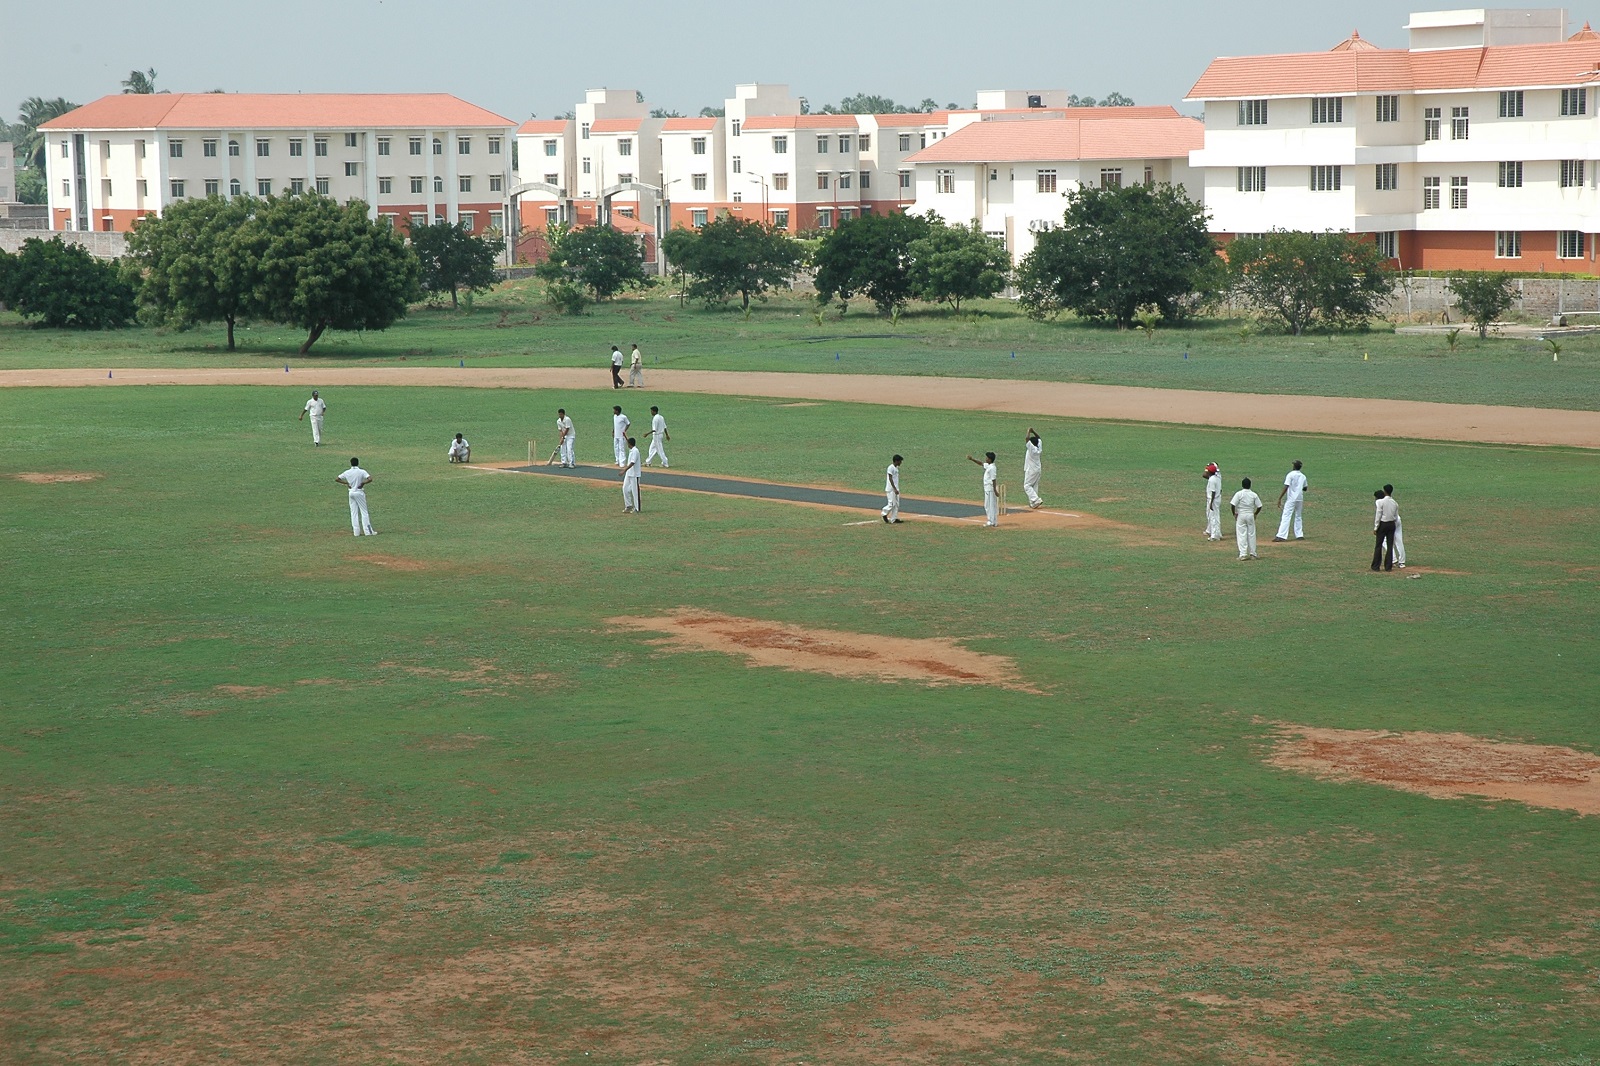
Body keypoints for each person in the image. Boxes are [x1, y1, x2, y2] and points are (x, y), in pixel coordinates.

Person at [336, 457, 376, 537]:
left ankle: (356, 532)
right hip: (359, 492)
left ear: (351, 463)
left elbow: (337, 479)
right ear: (358, 463)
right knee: (364, 511)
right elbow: (370, 479)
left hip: (351, 493)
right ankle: (368, 532)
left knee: (354, 512)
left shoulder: (347, 472)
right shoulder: (361, 471)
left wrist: (346, 483)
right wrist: (363, 483)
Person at [1274, 459, 1308, 541]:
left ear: (1294, 466)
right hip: (1300, 498)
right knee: (1298, 516)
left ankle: (1281, 536)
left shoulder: (1290, 475)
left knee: (1286, 515)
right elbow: (1305, 488)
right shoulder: (1303, 476)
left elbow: (1286, 486)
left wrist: (1280, 498)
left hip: (1291, 499)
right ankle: (1299, 535)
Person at [1231, 477, 1263, 560]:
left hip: (1241, 515)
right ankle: (1253, 553)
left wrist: (1234, 513)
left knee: (1241, 534)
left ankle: (1243, 554)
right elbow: (1259, 506)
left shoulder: (1239, 494)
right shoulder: (1253, 494)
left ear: (1242, 485)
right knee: (1251, 534)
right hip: (1250, 515)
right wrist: (1255, 513)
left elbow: (1233, 504)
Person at [967, 451, 1001, 527]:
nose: (986, 459)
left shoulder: (992, 468)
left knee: (989, 505)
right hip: (988, 489)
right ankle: (994, 521)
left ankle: (991, 521)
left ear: (990, 459)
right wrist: (972, 459)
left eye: (987, 458)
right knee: (990, 505)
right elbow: (981, 463)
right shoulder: (989, 466)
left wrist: (995, 490)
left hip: (990, 489)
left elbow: (994, 479)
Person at [1374, 488, 1400, 571]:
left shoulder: (1381, 502)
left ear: (1385, 492)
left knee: (1378, 545)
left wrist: (1376, 527)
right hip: (1391, 524)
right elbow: (1396, 516)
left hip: (1383, 524)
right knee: (1390, 546)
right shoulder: (1394, 503)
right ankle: (1388, 567)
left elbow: (1378, 515)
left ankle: (1376, 566)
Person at [1384, 485, 1407, 567]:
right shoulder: (1394, 502)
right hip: (1397, 520)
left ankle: (1393, 559)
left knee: (1385, 541)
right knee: (1399, 540)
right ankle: (1402, 562)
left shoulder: (1383, 502)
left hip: (1390, 521)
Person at [1022, 428, 1044, 509]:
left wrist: (1028, 431)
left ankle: (1036, 499)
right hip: (1038, 469)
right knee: (1034, 485)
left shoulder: (1032, 449)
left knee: (1027, 486)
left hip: (1031, 470)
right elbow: (1039, 438)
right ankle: (1033, 503)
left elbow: (1027, 439)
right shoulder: (1039, 446)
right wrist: (1033, 431)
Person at [619, 436, 641, 513]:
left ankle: (637, 508)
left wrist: (624, 470)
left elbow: (632, 462)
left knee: (635, 492)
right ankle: (628, 505)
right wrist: (625, 435)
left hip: (635, 474)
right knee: (625, 489)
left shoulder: (635, 451)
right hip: (629, 474)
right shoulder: (632, 450)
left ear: (629, 444)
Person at [1203, 462, 1223, 541]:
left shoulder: (1211, 480)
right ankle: (1218, 533)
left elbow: (1213, 492)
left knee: (1213, 517)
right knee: (1216, 516)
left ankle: (1214, 536)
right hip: (1217, 498)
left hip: (1213, 500)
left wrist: (1211, 503)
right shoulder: (1218, 477)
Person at [882, 454, 903, 523]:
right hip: (891, 489)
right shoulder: (890, 468)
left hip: (896, 489)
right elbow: (890, 478)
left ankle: (893, 519)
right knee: (891, 504)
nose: (901, 463)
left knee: (896, 504)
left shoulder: (896, 468)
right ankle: (884, 513)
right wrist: (894, 488)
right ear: (896, 461)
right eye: (900, 461)